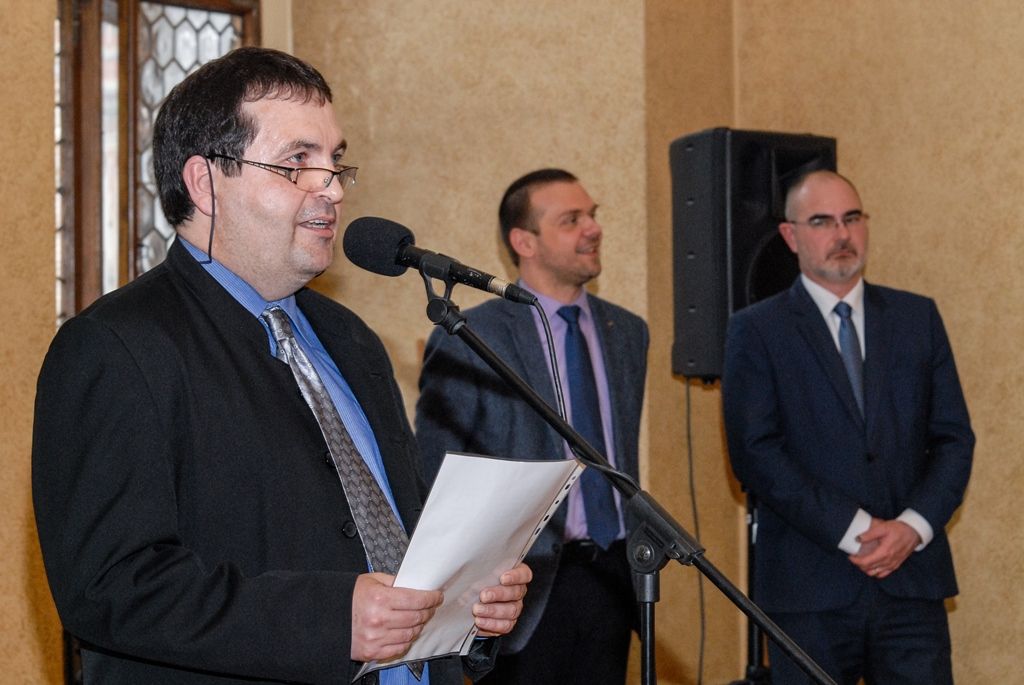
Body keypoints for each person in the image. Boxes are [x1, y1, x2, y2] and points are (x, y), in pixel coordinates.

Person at [32, 47, 531, 685]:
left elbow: (396, 538)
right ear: (204, 183)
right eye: (297, 162)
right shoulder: (116, 347)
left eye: (335, 162)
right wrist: (330, 621)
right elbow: (110, 587)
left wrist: (466, 605)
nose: (332, 188)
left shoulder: (351, 340)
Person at [721, 170, 974, 684]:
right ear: (791, 236)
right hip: (808, 589)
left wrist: (912, 528)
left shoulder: (916, 318)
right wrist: (855, 531)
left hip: (911, 583)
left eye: (852, 218)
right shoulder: (757, 330)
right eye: (822, 222)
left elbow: (953, 439)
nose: (842, 234)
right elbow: (756, 453)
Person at [415, 169, 649, 684]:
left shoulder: (628, 332)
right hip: (520, 586)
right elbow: (437, 473)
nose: (593, 228)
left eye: (592, 215)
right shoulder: (472, 335)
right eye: (571, 220)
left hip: (614, 574)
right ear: (525, 242)